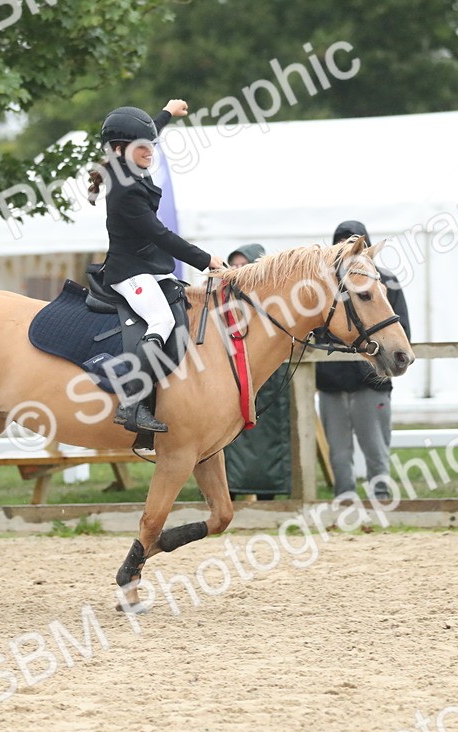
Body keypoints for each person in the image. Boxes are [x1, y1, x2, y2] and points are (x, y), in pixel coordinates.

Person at [88, 101, 224, 433]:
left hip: (146, 266)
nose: (150, 151)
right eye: (142, 147)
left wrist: (166, 114)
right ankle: (132, 404)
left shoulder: (127, 165)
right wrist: (205, 260)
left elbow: (144, 136)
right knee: (161, 320)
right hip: (129, 272)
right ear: (119, 149)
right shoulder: (125, 191)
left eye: (151, 144)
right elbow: (160, 235)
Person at [316, 220, 411, 501]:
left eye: (353, 243)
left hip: (371, 381)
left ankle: (380, 496)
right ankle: (344, 497)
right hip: (331, 383)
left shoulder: (386, 282)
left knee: (375, 446)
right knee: (338, 449)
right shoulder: (323, 288)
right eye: (341, 243)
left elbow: (400, 329)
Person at [222, 244, 292, 500]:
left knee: (266, 444)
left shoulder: (275, 301)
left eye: (244, 265)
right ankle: (226, 494)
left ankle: (267, 496)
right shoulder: (222, 301)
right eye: (234, 265)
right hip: (231, 380)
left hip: (266, 383)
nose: (238, 270)